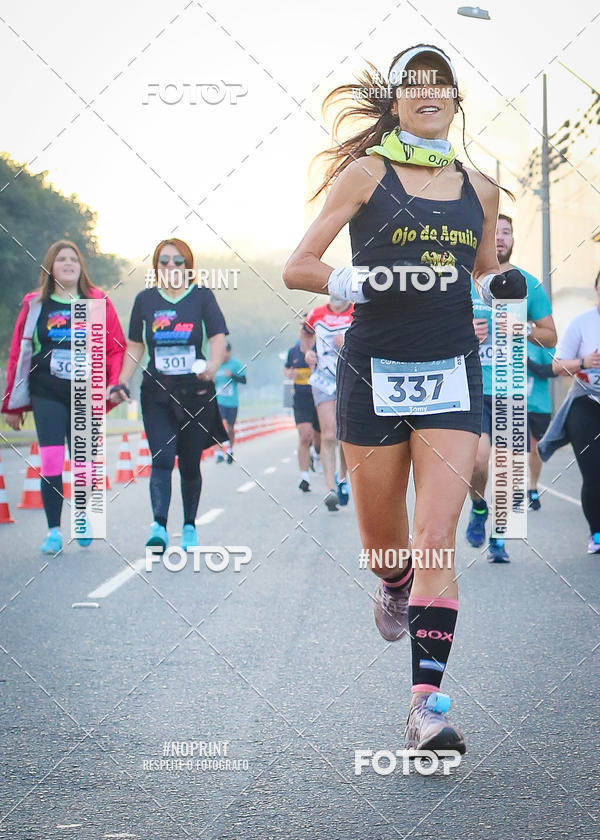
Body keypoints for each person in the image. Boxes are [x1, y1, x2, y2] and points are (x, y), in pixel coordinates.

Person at [284, 44, 528, 753]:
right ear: (395, 102)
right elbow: (299, 265)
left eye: (441, 84)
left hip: (453, 366)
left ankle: (427, 706)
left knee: (435, 540)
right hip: (371, 373)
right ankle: (391, 582)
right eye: (414, 84)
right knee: (389, 549)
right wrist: (357, 282)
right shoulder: (366, 174)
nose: (429, 93)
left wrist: (497, 292)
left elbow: (482, 273)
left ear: (455, 101)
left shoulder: (480, 189)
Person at [2, 240, 125, 554]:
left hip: (85, 393)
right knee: (52, 461)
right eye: (61, 259)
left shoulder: (97, 302)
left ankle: (83, 517)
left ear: (81, 267)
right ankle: (53, 531)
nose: (69, 264)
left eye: (74, 259)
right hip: (47, 392)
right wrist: (11, 403)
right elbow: (19, 353)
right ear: (50, 267)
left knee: (83, 463)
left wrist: (115, 384)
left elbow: (115, 349)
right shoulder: (36, 304)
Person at [110, 238, 229, 552]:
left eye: (178, 261)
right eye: (164, 261)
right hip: (158, 392)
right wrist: (122, 380)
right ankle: (159, 526)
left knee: (189, 464)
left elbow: (218, 335)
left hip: (195, 392)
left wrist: (213, 365)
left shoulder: (202, 296)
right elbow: (135, 346)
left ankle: (189, 527)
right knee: (162, 458)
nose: (171, 266)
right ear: (156, 267)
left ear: (188, 266)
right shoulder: (145, 300)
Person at [467, 215, 556, 561]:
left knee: (507, 469)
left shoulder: (529, 285)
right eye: (493, 233)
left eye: (505, 232)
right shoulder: (465, 283)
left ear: (513, 239)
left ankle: (499, 540)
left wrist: (520, 330)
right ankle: (477, 507)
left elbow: (550, 335)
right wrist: (465, 333)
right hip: (473, 388)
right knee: (477, 462)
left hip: (510, 387)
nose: (499, 238)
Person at [538, 270, 600, 554]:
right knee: (594, 474)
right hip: (586, 403)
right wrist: (584, 361)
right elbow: (557, 367)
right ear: (596, 289)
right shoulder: (582, 323)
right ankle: (596, 534)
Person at [300, 296, 353, 510]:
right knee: (329, 433)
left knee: (345, 434)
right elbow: (305, 335)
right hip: (323, 379)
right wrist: (308, 353)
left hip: (350, 378)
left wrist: (348, 343)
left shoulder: (357, 311)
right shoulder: (316, 313)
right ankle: (330, 488)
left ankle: (342, 478)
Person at [284, 339, 320, 491]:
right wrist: (290, 373)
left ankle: (315, 453)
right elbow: (286, 369)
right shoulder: (293, 351)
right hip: (300, 399)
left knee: (318, 439)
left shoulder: (321, 348)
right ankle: (304, 476)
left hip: (319, 398)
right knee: (304, 436)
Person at [526, 344, 556, 510]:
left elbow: (552, 370)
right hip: (510, 403)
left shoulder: (541, 341)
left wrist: (528, 363)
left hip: (538, 406)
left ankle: (533, 488)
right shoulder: (503, 340)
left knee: (534, 449)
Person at [215, 341, 247, 464]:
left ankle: (230, 449)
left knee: (230, 428)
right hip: (219, 401)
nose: (224, 355)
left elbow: (244, 380)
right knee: (221, 425)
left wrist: (232, 375)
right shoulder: (216, 364)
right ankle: (218, 452)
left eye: (226, 353)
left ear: (229, 352)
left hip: (232, 402)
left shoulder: (235, 364)